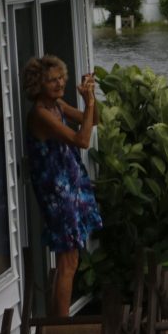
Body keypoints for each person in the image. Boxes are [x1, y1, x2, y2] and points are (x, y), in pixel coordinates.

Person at [22, 55, 102, 316]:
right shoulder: (41, 114)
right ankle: (60, 329)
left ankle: (59, 322)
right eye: (50, 81)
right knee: (67, 261)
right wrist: (88, 102)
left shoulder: (56, 104)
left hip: (69, 185)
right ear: (38, 85)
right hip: (56, 192)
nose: (58, 84)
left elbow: (93, 121)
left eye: (60, 78)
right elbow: (82, 140)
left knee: (71, 259)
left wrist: (90, 98)